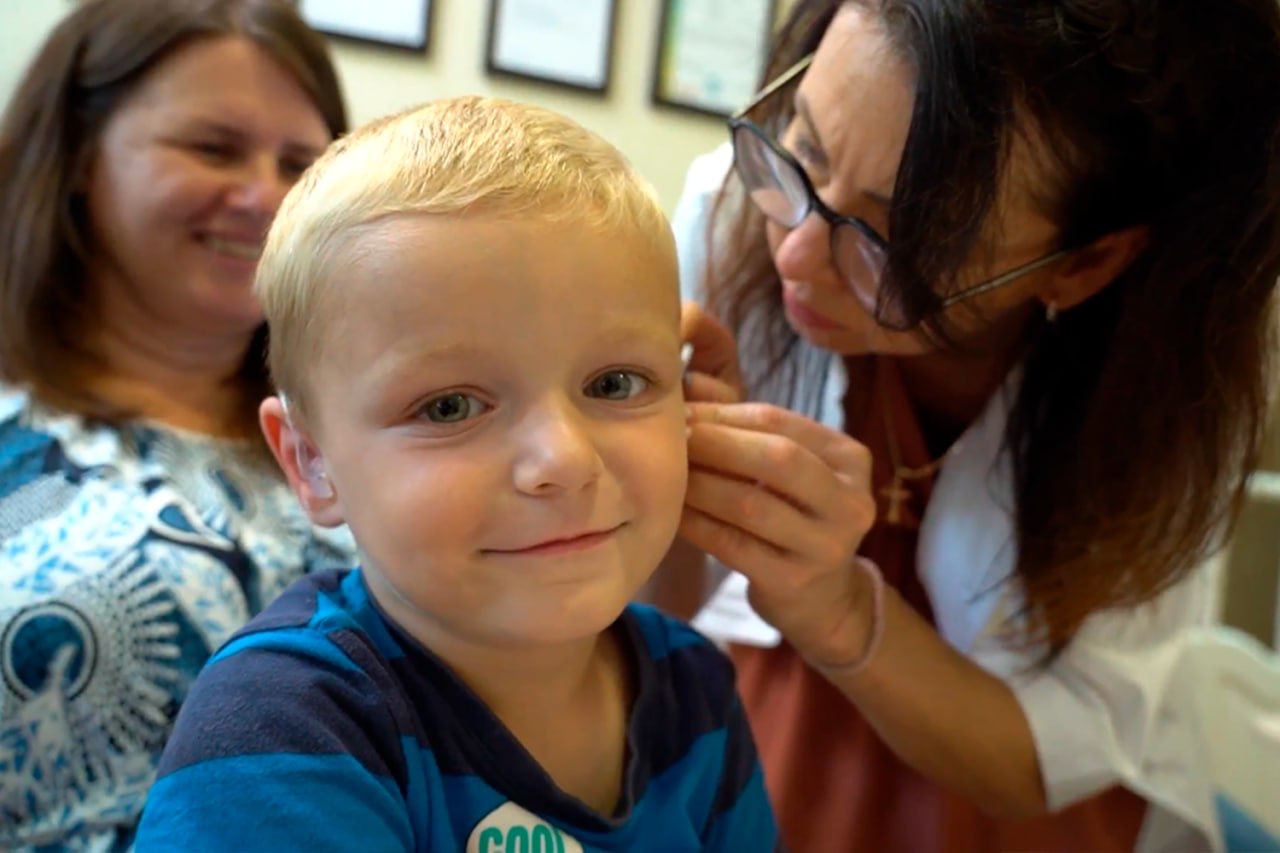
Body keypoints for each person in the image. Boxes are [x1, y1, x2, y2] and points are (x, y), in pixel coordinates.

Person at [658, 0, 1280, 850]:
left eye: (897, 240)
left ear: (1085, 262)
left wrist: (836, 607)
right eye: (805, 148)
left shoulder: (1163, 395)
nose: (796, 253)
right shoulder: (736, 212)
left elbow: (1044, 760)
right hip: (751, 747)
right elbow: (640, 618)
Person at [134, 96, 778, 851]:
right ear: (311, 461)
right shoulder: (282, 729)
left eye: (614, 384)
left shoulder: (695, 692)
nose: (565, 461)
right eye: (448, 406)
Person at [0, 1, 352, 847]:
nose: (265, 195)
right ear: (80, 155)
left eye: (301, 163)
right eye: (213, 147)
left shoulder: (367, 437)